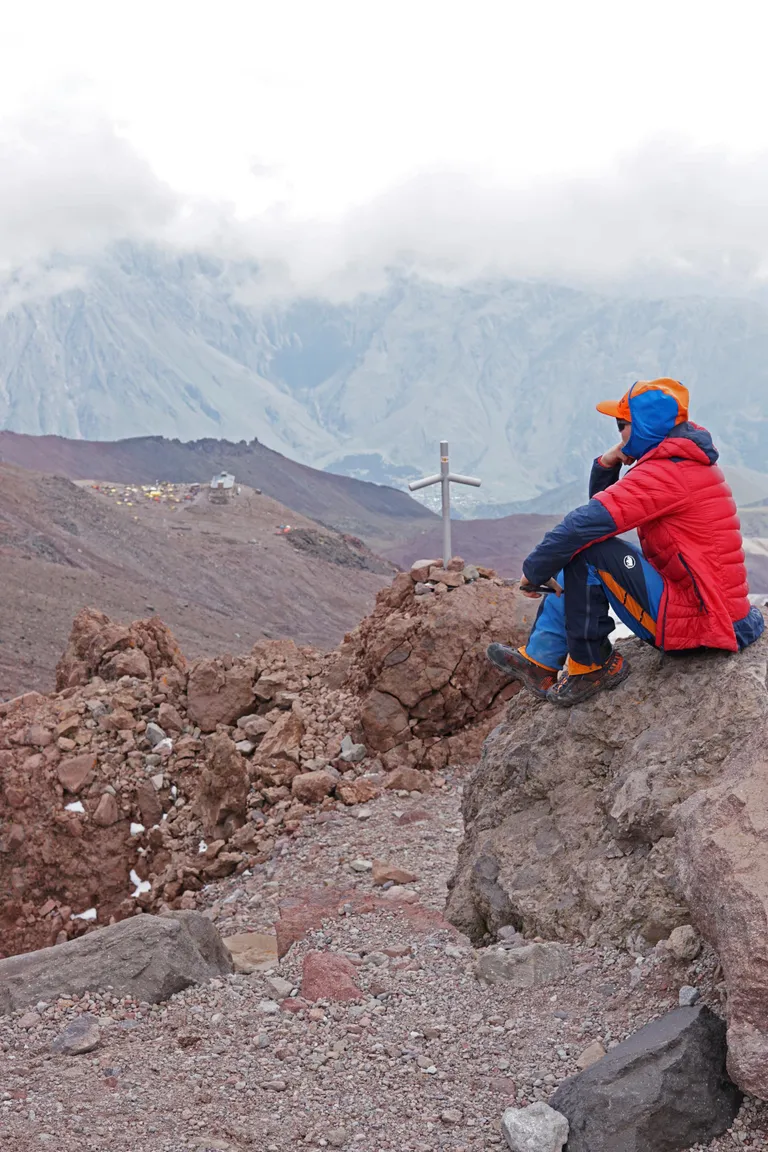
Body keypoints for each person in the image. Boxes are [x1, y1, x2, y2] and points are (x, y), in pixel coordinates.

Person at [487, 377, 764, 706]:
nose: (618, 433)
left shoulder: (667, 473)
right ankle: (539, 660)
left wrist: (533, 571)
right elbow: (601, 516)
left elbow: (585, 525)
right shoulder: (678, 464)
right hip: (709, 609)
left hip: (705, 622)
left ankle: (594, 667)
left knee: (588, 552)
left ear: (644, 427)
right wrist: (607, 463)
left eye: (622, 425)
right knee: (585, 549)